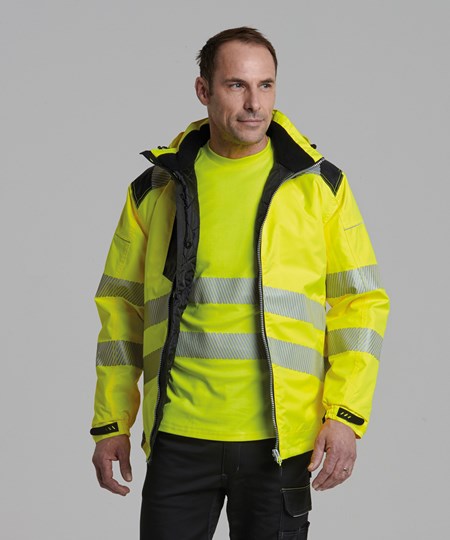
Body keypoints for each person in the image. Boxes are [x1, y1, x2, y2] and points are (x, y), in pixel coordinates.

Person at [91, 27, 390, 540]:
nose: (255, 104)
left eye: (266, 85)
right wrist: (112, 423)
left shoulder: (318, 186)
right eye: (236, 86)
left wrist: (345, 416)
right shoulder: (157, 188)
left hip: (280, 441)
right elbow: (122, 310)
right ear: (203, 90)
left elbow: (360, 303)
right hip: (179, 438)